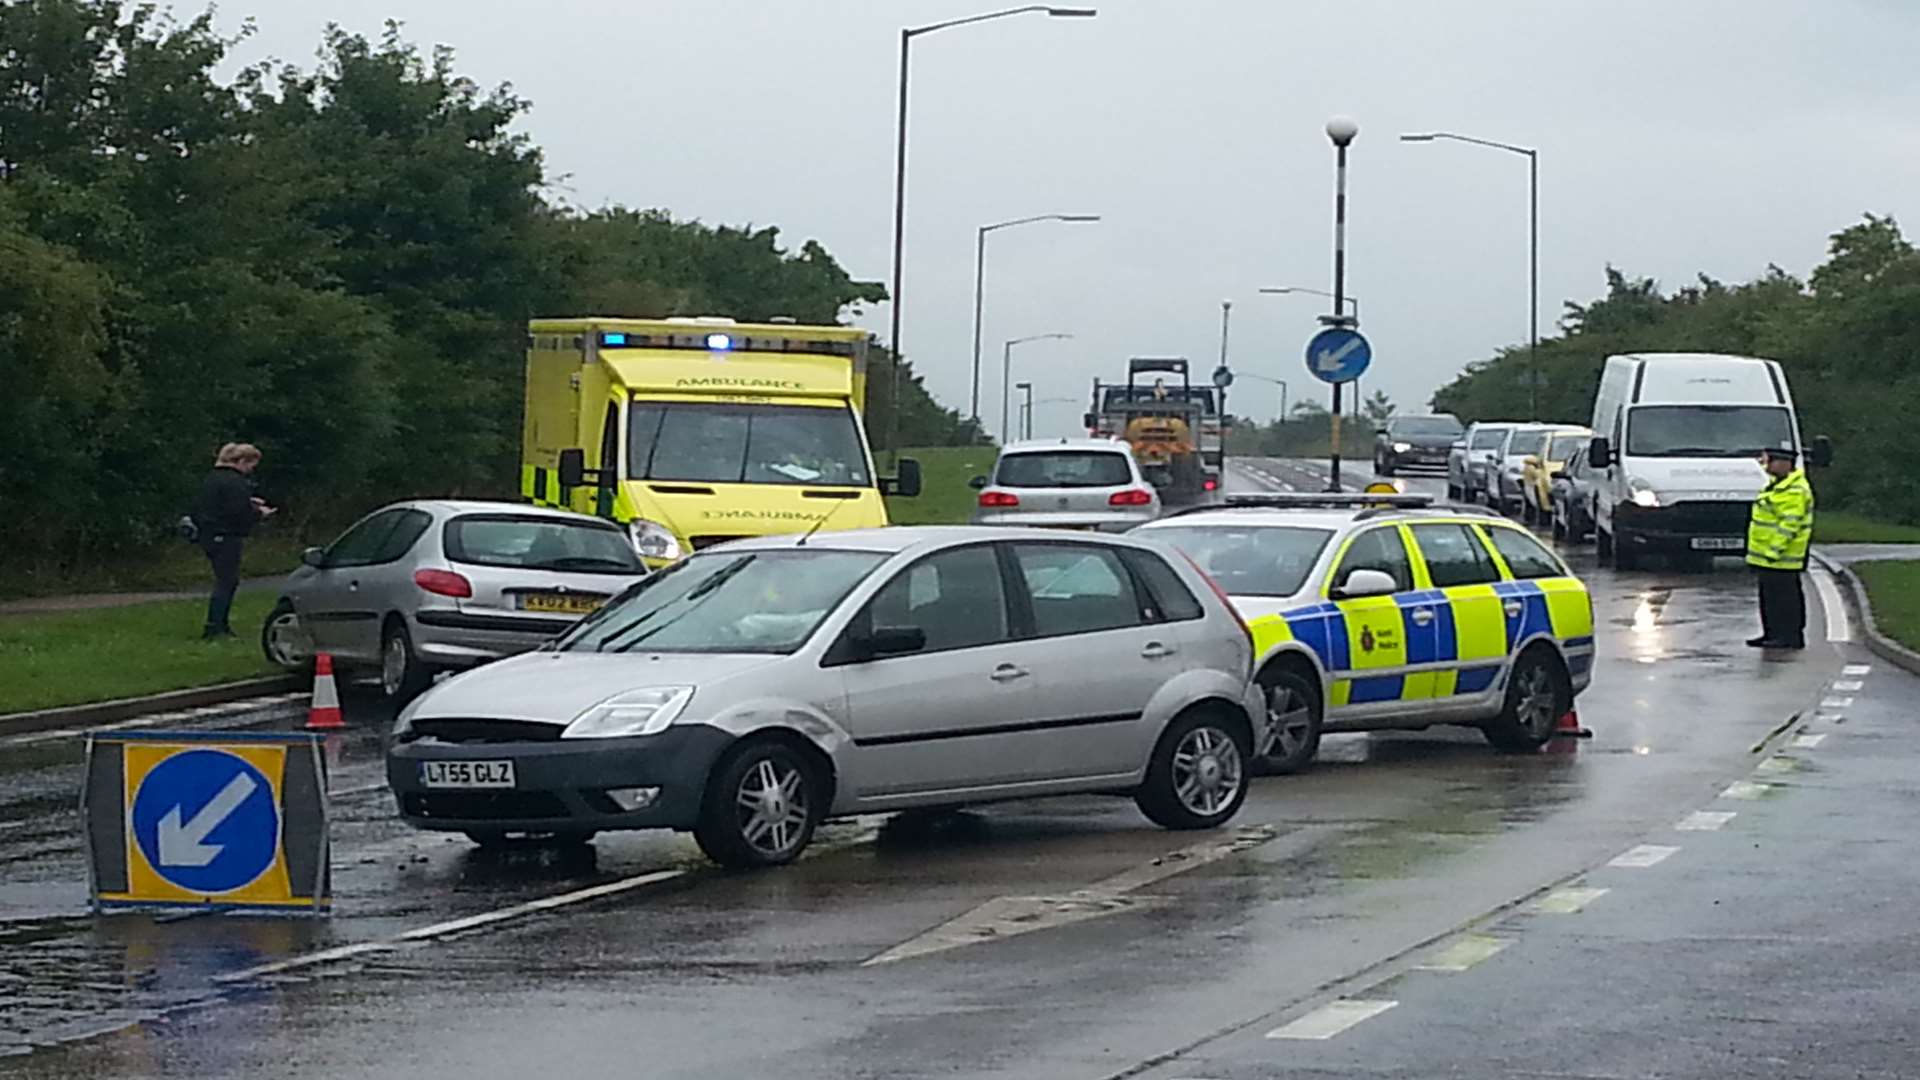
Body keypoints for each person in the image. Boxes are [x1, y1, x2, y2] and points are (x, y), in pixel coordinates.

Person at [191, 443, 275, 640]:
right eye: (251, 465)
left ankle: (218, 624)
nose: (251, 470)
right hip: (226, 535)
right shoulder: (234, 482)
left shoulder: (212, 479)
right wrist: (258, 512)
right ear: (242, 461)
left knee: (225, 580)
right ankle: (215, 626)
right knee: (227, 581)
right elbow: (237, 512)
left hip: (209, 534)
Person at [1746, 444, 1814, 650]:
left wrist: (1774, 550)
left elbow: (1789, 524)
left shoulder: (1795, 490)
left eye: (1770, 461)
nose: (1766, 466)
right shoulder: (1777, 485)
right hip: (1768, 557)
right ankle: (1772, 633)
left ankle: (1790, 636)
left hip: (1783, 558)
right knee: (1770, 598)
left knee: (1786, 599)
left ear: (1785, 464)